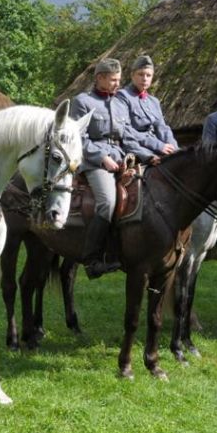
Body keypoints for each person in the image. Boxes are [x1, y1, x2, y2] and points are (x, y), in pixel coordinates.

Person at [69, 58, 137, 279]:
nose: (118, 84)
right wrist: (102, 158)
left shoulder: (120, 103)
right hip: (94, 162)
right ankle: (92, 259)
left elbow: (127, 136)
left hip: (121, 160)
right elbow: (78, 138)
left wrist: (137, 155)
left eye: (119, 79)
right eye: (113, 80)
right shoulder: (82, 102)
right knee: (107, 202)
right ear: (99, 78)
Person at [115, 54, 178, 164]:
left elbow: (162, 128)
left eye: (148, 75)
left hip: (158, 147)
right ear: (132, 75)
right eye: (140, 74)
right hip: (136, 148)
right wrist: (158, 145)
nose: (144, 78)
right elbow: (126, 130)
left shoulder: (154, 101)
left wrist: (174, 148)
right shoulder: (122, 97)